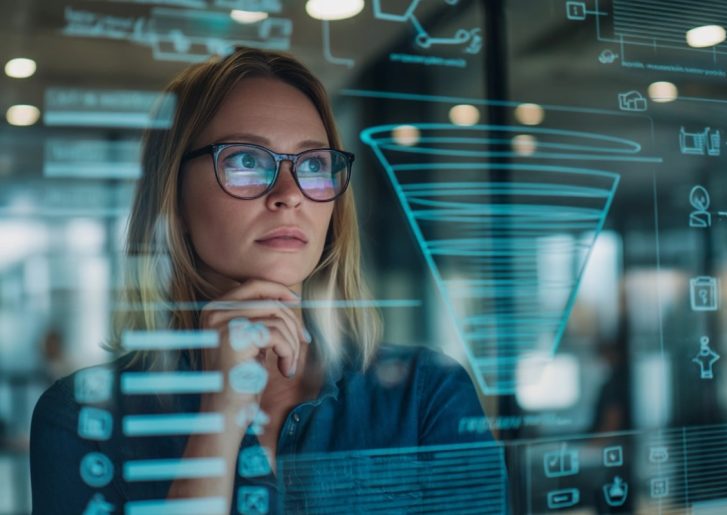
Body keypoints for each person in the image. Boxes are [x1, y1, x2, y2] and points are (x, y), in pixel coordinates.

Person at [30, 48, 501, 514]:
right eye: (245, 161)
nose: (289, 194)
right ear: (173, 196)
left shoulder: (424, 394)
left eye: (313, 165)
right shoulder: (83, 417)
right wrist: (220, 416)